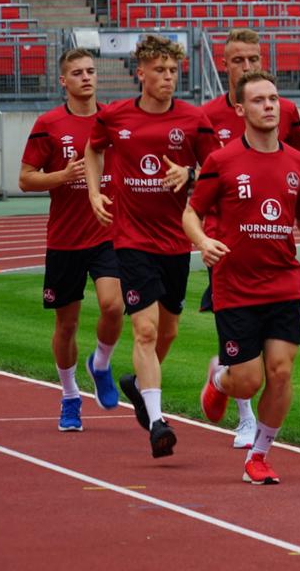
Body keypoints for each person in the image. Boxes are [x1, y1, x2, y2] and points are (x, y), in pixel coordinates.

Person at [185, 70, 300, 485]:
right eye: (259, 100)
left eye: (274, 98)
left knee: (281, 372)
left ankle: (259, 454)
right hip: (235, 285)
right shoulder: (222, 160)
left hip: (284, 282)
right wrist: (202, 241)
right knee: (247, 382)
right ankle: (219, 378)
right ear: (239, 109)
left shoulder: (298, 163)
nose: (269, 106)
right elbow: (191, 212)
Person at [84, 34, 218, 458]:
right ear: (140, 73)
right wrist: (93, 192)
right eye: (159, 70)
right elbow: (93, 149)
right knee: (145, 329)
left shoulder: (194, 119)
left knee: (169, 329)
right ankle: (157, 421)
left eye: (173, 70)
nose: (167, 77)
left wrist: (190, 174)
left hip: (176, 238)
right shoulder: (115, 115)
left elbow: (218, 169)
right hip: (132, 237)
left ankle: (138, 385)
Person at [199, 27, 300, 450]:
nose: (247, 66)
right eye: (238, 60)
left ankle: (257, 439)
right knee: (245, 365)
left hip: (277, 255)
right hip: (224, 243)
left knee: (278, 367)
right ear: (224, 65)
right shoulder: (208, 117)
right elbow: (198, 173)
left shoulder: (285, 112)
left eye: (253, 59)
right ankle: (244, 415)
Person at [18, 47, 124, 432]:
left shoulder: (113, 121)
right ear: (63, 81)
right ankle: (69, 396)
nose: (86, 77)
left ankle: (102, 363)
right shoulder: (49, 124)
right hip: (64, 238)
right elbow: (26, 178)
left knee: (114, 307)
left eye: (91, 71)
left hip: (107, 231)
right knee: (67, 325)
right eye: (77, 72)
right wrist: (61, 176)